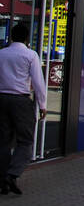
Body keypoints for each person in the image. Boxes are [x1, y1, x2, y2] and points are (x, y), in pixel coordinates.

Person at [0, 23, 48, 196]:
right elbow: (38, 82)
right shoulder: (30, 55)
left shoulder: (1, 54)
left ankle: (2, 177)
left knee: (3, 140)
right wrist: (42, 105)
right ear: (27, 38)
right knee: (26, 140)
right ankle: (12, 174)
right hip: (21, 100)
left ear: (11, 36)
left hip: (1, 99)